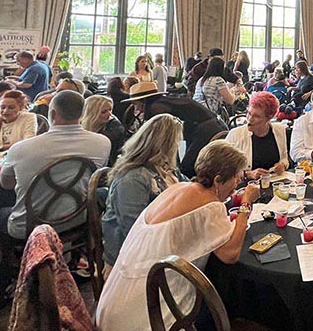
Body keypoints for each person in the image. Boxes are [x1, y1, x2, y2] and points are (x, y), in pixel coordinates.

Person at [96, 141, 258, 331]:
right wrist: (246, 204)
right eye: (236, 178)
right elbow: (230, 255)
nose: (237, 183)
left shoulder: (178, 187)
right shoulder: (211, 205)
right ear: (218, 180)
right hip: (152, 310)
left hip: (117, 300)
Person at [0, 91, 110, 239]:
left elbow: (6, 184)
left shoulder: (20, 149)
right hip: (76, 218)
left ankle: (14, 261)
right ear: (82, 114)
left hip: (29, 227)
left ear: (52, 114)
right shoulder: (102, 143)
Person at [101, 114, 185, 270]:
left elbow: (188, 190)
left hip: (160, 245)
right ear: (166, 145)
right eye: (176, 143)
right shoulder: (133, 179)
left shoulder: (165, 167)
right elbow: (134, 230)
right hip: (130, 260)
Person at [123, 81, 225, 178]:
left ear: (143, 101)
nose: (137, 109)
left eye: (136, 104)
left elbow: (165, 139)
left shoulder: (156, 108)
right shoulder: (164, 101)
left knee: (189, 167)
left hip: (206, 129)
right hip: (212, 124)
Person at [226, 91, 288, 178]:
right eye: (249, 113)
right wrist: (247, 174)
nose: (250, 119)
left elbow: (284, 158)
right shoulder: (235, 135)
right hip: (245, 185)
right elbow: (224, 169)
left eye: (257, 116)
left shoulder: (280, 130)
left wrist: (283, 165)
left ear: (268, 118)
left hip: (273, 182)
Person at [80, 95, 126, 166]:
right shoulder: (80, 124)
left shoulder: (115, 128)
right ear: (91, 113)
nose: (109, 114)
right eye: (104, 112)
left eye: (110, 110)